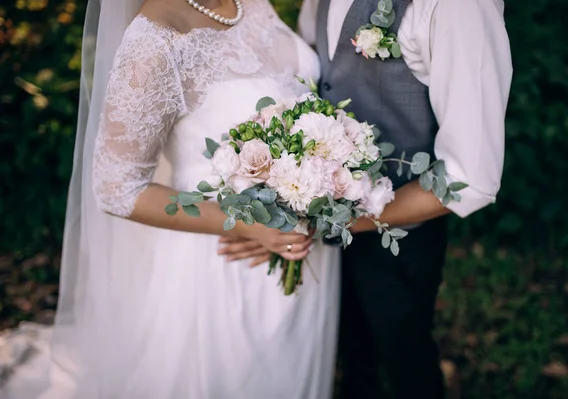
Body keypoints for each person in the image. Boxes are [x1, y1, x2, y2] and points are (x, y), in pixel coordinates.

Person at [4, 1, 340, 398]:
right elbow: (117, 189)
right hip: (223, 266)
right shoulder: (154, 40)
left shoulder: (249, 3)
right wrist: (252, 226)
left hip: (304, 251)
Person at [296, 0, 512, 397]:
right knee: (348, 360)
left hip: (400, 237)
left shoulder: (458, 8)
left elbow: (469, 176)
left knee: (407, 366)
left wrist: (341, 222)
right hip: (319, 228)